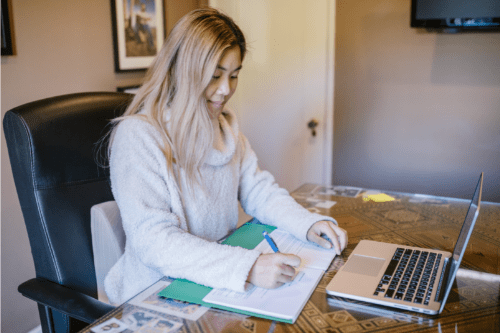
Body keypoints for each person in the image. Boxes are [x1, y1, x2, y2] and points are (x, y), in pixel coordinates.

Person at [104, 7, 347, 305]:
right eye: (215, 76)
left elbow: (259, 191)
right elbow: (154, 242)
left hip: (214, 277)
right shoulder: (139, 136)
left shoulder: (224, 127)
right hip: (156, 291)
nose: (225, 90)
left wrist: (306, 223)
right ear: (184, 70)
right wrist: (248, 267)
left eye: (233, 75)